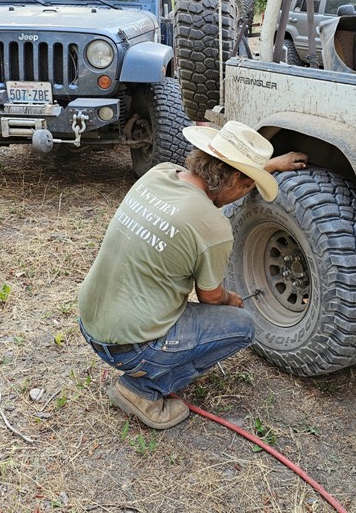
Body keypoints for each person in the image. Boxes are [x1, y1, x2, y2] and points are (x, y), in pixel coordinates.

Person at [77, 122, 308, 429]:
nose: (244, 193)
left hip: (92, 323)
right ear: (237, 178)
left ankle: (142, 371)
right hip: (131, 349)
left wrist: (268, 167)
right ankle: (141, 390)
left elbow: (220, 180)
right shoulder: (213, 227)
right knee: (242, 326)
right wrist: (231, 299)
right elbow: (210, 297)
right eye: (247, 186)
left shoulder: (159, 174)